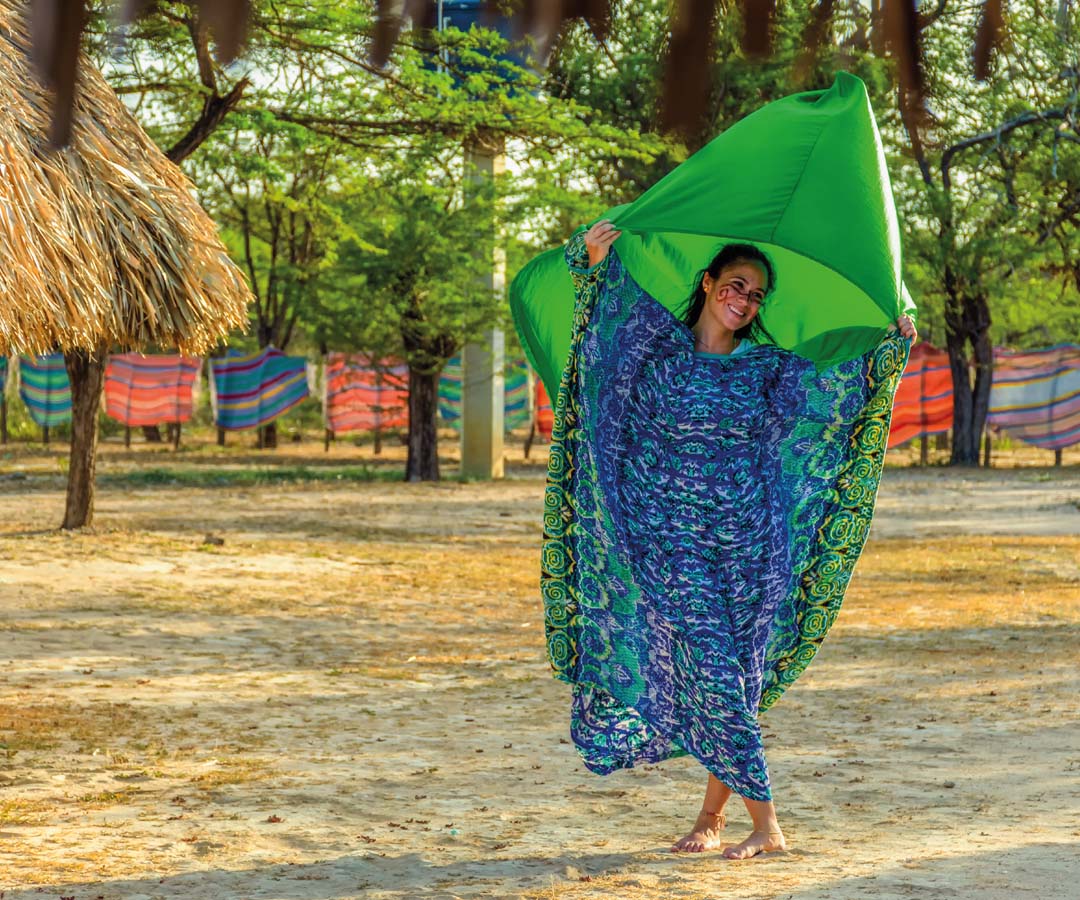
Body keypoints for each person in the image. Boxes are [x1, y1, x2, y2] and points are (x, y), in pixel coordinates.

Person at [545, 218, 915, 860]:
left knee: (733, 683)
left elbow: (839, 392)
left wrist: (889, 346)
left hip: (752, 548)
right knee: (713, 673)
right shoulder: (655, 352)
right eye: (736, 285)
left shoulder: (770, 369)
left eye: (756, 296)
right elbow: (601, 336)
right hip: (672, 549)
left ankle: (714, 819)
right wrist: (592, 262)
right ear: (710, 282)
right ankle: (768, 826)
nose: (744, 301)